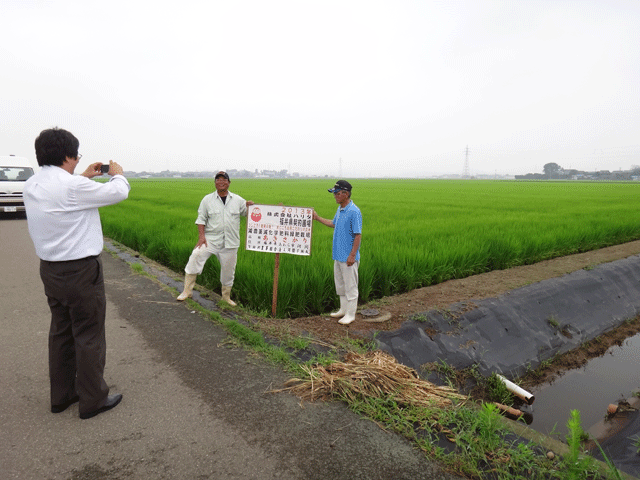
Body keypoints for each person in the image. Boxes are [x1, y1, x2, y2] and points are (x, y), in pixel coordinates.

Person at [23, 127, 130, 419]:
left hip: (50, 270)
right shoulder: (72, 187)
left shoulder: (32, 185)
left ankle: (61, 396)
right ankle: (93, 400)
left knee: (61, 332)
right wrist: (117, 173)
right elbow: (119, 191)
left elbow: (61, 194)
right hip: (81, 272)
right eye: (76, 155)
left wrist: (83, 175)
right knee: (89, 334)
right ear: (69, 155)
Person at [177, 171, 253, 306]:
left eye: (224, 179)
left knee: (228, 271)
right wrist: (201, 237)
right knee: (195, 256)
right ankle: (187, 291)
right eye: (218, 180)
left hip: (231, 242)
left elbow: (248, 213)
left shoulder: (237, 200)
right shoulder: (207, 200)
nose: (221, 182)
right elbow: (201, 219)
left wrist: (252, 206)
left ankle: (226, 297)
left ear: (229, 183)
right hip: (210, 239)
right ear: (215, 183)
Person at [313, 180, 362, 325]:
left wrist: (352, 255)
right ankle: (343, 309)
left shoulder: (354, 211)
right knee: (340, 285)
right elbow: (333, 223)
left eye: (336, 193)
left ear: (345, 194)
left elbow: (358, 234)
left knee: (351, 286)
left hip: (348, 257)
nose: (334, 196)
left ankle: (351, 314)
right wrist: (317, 218)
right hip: (338, 255)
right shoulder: (340, 209)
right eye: (334, 193)